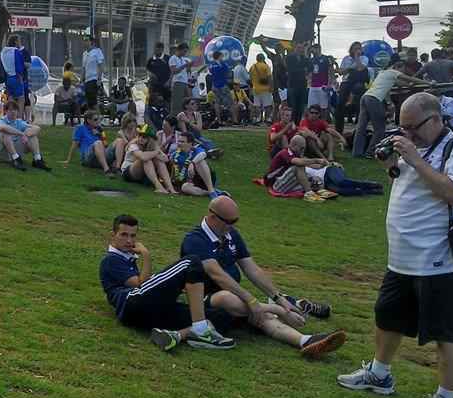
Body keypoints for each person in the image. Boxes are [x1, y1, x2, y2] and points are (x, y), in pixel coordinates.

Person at [338, 93, 453, 398]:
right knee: (387, 317)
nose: (407, 134)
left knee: (445, 332)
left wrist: (414, 158)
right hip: (401, 257)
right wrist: (392, 166)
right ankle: (379, 374)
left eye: (413, 127)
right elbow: (411, 185)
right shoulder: (415, 145)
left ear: (436, 119)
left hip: (437, 259)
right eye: (402, 127)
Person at [180, 196, 347, 358]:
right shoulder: (195, 240)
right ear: (212, 217)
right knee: (229, 299)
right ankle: (279, 308)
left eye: (235, 221)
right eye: (229, 222)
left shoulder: (231, 235)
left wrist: (277, 296)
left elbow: (252, 269)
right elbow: (219, 276)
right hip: (204, 300)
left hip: (238, 298)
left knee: (262, 318)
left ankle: (305, 341)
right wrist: (256, 302)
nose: (232, 227)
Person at [100, 214, 235, 351]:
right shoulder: (111, 260)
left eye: (133, 236)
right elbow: (140, 284)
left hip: (149, 313)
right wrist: (146, 255)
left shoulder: (127, 258)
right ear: (113, 235)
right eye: (124, 235)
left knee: (221, 316)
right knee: (191, 262)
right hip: (131, 305)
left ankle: (177, 335)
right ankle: (200, 330)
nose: (129, 240)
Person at [352, 55, 428, 158]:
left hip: (365, 97)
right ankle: (370, 152)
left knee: (361, 127)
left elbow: (402, 84)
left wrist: (408, 85)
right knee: (379, 128)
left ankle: (357, 152)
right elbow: (410, 79)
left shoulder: (382, 73)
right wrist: (428, 83)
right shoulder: (394, 72)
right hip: (374, 99)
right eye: (402, 69)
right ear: (398, 67)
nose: (403, 72)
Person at [265, 134, 337, 203]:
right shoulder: (285, 152)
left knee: (315, 178)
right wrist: (316, 160)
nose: (303, 150)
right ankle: (309, 193)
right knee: (298, 166)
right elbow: (299, 162)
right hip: (276, 184)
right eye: (301, 148)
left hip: (285, 182)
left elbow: (312, 165)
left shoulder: (296, 154)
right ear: (294, 145)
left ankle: (320, 190)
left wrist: (325, 164)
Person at [0, 101, 50, 171]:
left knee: (32, 136)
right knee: (5, 133)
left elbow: (37, 128)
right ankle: (16, 159)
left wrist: (27, 134)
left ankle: (37, 159)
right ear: (5, 111)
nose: (13, 112)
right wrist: (22, 134)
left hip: (13, 148)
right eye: (10, 110)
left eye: (15, 110)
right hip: (0, 152)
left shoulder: (19, 122)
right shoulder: (0, 120)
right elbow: (3, 128)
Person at [121, 123, 177, 195]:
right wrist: (156, 152)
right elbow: (143, 157)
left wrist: (155, 153)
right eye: (139, 135)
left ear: (149, 139)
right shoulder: (133, 145)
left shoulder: (153, 146)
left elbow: (166, 159)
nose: (140, 138)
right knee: (147, 160)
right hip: (129, 172)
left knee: (158, 161)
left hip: (145, 173)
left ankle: (170, 188)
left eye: (144, 137)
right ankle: (159, 187)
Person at [62, 111, 114, 176]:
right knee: (98, 143)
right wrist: (68, 160)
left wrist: (100, 134)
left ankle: (118, 168)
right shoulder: (80, 128)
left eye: (98, 119)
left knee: (119, 141)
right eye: (95, 119)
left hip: (100, 156)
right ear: (88, 120)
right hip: (87, 157)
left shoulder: (99, 130)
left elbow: (106, 145)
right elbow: (74, 144)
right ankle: (107, 170)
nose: (98, 121)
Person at [170, 132, 222, 197]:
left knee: (200, 161)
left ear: (190, 143)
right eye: (179, 141)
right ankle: (211, 193)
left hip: (204, 179)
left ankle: (211, 190)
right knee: (184, 188)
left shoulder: (196, 150)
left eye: (182, 142)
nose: (179, 144)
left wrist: (192, 163)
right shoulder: (175, 154)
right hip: (191, 181)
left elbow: (203, 154)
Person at [335, 42, 370, 133]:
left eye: (359, 48)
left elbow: (361, 68)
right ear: (351, 49)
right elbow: (341, 72)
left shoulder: (364, 58)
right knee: (340, 105)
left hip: (357, 83)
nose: (357, 50)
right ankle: (338, 129)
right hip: (346, 82)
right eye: (355, 49)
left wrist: (357, 57)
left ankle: (359, 129)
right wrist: (350, 68)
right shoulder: (346, 58)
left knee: (359, 104)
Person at [208, 52, 237, 125]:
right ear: (219, 56)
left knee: (217, 103)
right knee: (231, 103)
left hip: (214, 86)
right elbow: (228, 73)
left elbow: (211, 73)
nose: (222, 58)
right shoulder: (223, 64)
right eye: (222, 56)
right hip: (223, 85)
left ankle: (219, 120)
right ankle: (235, 120)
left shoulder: (211, 65)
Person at [285, 42, 310, 123]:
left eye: (301, 48)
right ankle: (291, 123)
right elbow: (291, 69)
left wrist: (305, 54)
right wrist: (303, 70)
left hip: (302, 85)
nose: (300, 50)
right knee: (293, 105)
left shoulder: (304, 58)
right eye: (298, 48)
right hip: (293, 84)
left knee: (300, 106)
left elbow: (310, 67)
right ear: (295, 48)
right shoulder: (289, 58)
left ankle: (298, 123)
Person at [307, 43, 333, 115]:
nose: (313, 51)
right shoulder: (311, 60)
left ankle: (323, 123)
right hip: (313, 85)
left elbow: (330, 71)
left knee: (323, 107)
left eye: (314, 49)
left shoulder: (325, 58)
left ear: (318, 49)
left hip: (323, 86)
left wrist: (329, 84)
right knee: (311, 106)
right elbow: (309, 73)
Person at [1, 36, 25, 111]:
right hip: (16, 77)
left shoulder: (3, 52)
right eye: (19, 41)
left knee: (11, 98)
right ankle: (19, 118)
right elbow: (18, 66)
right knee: (21, 98)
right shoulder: (16, 51)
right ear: (15, 42)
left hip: (8, 77)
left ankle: (10, 116)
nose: (20, 43)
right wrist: (20, 78)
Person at [249, 53, 273, 124]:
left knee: (257, 105)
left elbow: (250, 77)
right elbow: (269, 77)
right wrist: (271, 87)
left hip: (256, 89)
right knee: (267, 105)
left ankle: (258, 118)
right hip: (266, 89)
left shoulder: (252, 67)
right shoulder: (266, 66)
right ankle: (267, 119)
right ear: (263, 58)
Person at [168, 43, 192, 116]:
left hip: (185, 82)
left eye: (186, 51)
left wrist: (189, 67)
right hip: (177, 82)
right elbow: (174, 71)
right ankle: (174, 118)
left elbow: (187, 71)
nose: (185, 53)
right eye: (184, 51)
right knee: (177, 103)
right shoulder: (173, 58)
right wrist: (184, 65)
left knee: (187, 101)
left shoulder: (183, 59)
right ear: (179, 50)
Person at [83, 37, 105, 111]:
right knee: (88, 102)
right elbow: (84, 68)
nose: (85, 42)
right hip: (87, 80)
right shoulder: (85, 53)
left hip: (94, 79)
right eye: (84, 41)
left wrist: (99, 79)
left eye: (86, 40)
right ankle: (90, 119)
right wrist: (81, 80)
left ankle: (98, 117)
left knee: (94, 101)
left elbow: (101, 65)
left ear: (91, 42)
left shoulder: (97, 51)